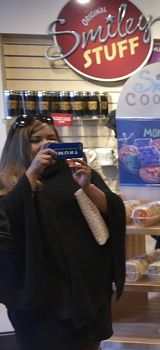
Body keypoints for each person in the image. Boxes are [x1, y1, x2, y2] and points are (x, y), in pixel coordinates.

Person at [0, 114, 126, 350]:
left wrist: (87, 186)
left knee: (89, 344)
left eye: (51, 138)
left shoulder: (72, 170)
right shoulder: (7, 181)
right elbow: (8, 222)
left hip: (88, 289)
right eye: (36, 140)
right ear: (19, 144)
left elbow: (114, 211)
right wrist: (33, 173)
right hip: (41, 297)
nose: (46, 144)